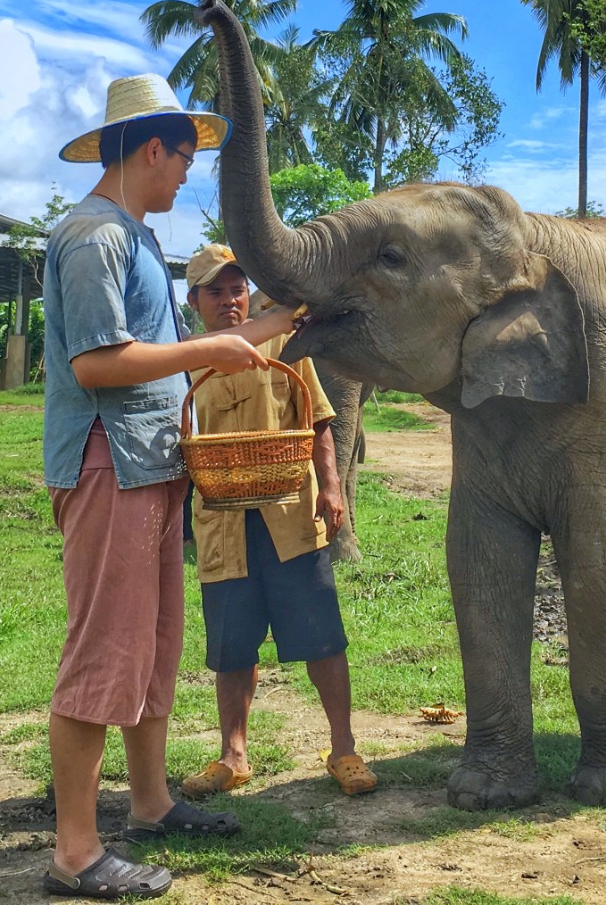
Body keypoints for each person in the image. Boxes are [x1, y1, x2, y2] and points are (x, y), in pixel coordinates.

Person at [41, 76, 297, 900]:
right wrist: (208, 353)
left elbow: (167, 344)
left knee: (151, 646)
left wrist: (264, 327)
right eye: (186, 159)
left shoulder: (139, 238)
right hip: (106, 464)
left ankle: (149, 807)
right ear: (153, 150)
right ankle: (75, 853)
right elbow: (96, 363)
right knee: (103, 650)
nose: (188, 174)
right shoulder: (92, 238)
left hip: (150, 466)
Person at [180, 244, 377, 801]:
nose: (229, 300)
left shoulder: (284, 344)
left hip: (290, 516)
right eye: (215, 291)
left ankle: (343, 747)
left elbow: (316, 419)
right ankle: (233, 756)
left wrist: (332, 487)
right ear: (194, 301)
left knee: (322, 637)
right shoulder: (185, 359)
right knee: (231, 647)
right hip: (222, 523)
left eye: (236, 288)